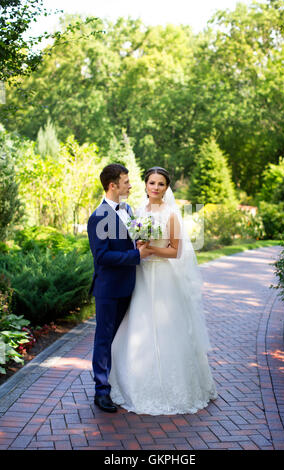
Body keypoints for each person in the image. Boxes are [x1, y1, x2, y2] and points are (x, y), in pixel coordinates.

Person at [109, 166, 218, 415]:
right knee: (138, 325)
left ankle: (176, 387)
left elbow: (175, 251)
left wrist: (151, 249)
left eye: (161, 184)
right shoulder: (137, 211)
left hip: (163, 275)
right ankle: (131, 383)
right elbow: (134, 242)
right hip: (142, 275)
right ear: (145, 185)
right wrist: (139, 245)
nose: (156, 188)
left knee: (168, 329)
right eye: (152, 183)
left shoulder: (171, 215)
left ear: (166, 188)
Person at [87, 163, 152, 413]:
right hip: (108, 289)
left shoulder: (127, 209)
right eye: (126, 181)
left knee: (121, 339)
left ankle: (119, 383)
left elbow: (132, 239)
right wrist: (136, 256)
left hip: (129, 286)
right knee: (104, 340)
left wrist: (143, 241)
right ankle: (101, 391)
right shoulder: (98, 217)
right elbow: (102, 256)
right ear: (113, 185)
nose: (130, 185)